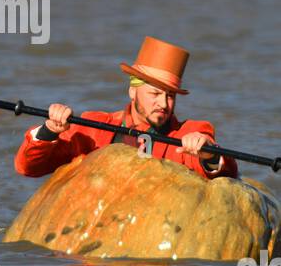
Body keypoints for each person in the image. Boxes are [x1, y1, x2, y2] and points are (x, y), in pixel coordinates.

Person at [15, 36, 239, 181]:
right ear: (133, 92)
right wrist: (49, 130)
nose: (163, 103)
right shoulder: (94, 128)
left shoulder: (188, 134)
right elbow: (29, 167)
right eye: (154, 94)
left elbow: (226, 175)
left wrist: (208, 153)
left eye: (170, 96)